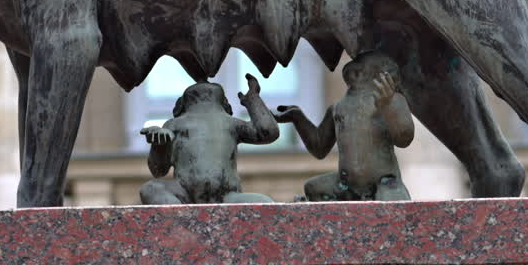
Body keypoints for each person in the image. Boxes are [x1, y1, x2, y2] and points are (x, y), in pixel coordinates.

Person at [273, 51, 414, 201]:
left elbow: (404, 138)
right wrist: (298, 118)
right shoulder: (338, 108)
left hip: (384, 182)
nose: (355, 70)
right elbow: (319, 147)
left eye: (361, 68)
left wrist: (388, 107)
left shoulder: (392, 100)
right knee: (313, 188)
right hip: (346, 185)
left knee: (393, 202)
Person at [139, 74, 278, 204]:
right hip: (183, 193)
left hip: (228, 197)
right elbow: (158, 170)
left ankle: (181, 218)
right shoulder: (174, 124)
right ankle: (179, 219)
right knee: (150, 189)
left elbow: (268, 132)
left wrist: (253, 99)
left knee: (265, 204)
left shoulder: (230, 123)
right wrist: (160, 146)